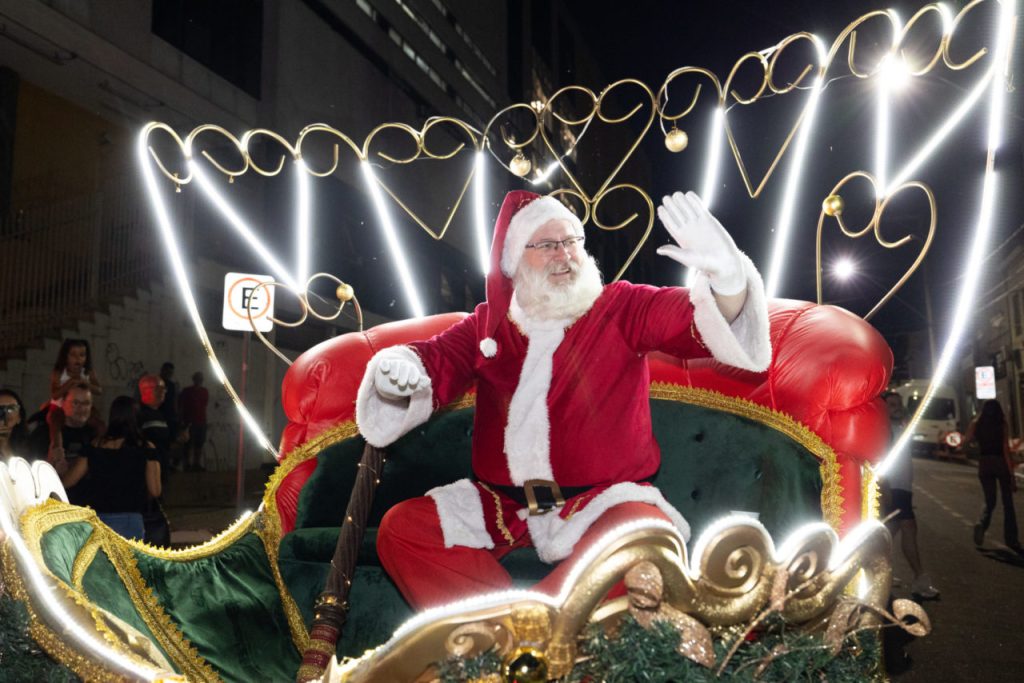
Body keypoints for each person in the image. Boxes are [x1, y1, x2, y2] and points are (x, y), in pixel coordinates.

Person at [356, 190, 771, 609]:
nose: (565, 254)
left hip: (602, 503)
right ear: (514, 262)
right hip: (501, 507)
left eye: (572, 241)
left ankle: (518, 628)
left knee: (647, 537)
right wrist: (399, 374)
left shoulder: (622, 307)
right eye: (547, 244)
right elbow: (435, 362)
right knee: (402, 529)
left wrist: (727, 280)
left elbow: (695, 320)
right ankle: (524, 628)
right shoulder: (488, 327)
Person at [61, 396, 161, 541]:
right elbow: (155, 490)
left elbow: (69, 481)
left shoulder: (95, 446)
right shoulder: (146, 448)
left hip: (99, 518)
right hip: (130, 518)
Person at [879, 391, 939, 600]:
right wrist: (885, 487)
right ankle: (920, 579)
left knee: (888, 532)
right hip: (893, 486)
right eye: (892, 404)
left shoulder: (900, 427)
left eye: (898, 404)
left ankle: (879, 573)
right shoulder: (883, 429)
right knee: (909, 528)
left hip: (903, 486)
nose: (897, 407)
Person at [964, 399, 1021, 553]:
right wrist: (1011, 474)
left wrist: (976, 445)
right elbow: (1005, 448)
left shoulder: (977, 423)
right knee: (1008, 503)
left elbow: (967, 440)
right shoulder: (1002, 424)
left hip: (984, 462)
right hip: (1000, 462)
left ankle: (981, 524)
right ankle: (1011, 539)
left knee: (990, 500)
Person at [179, 371, 210, 471]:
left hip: (201, 421)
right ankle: (187, 464)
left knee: (199, 443)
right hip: (189, 421)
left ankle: (196, 463)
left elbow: (204, 405)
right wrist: (182, 419)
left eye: (200, 379)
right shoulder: (187, 391)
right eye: (197, 378)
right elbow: (181, 405)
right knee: (188, 444)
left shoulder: (204, 391)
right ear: (194, 379)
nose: (199, 381)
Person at [158, 362, 181, 469]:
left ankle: (167, 463)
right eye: (167, 371)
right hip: (159, 416)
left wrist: (176, 415)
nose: (169, 374)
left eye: (170, 372)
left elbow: (174, 400)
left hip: (169, 417)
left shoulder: (172, 385)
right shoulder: (156, 382)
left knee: (170, 442)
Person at [0, 389, 32, 458]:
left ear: (19, 417)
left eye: (11, 408)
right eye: (0, 409)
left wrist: (4, 447)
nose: (5, 413)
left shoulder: (30, 444)